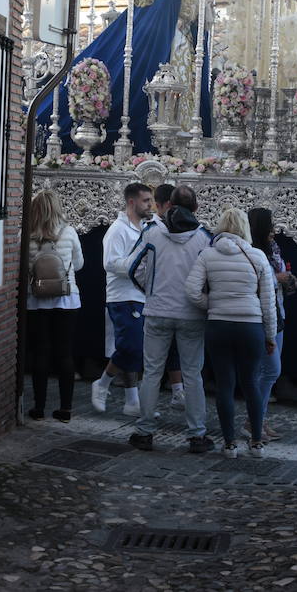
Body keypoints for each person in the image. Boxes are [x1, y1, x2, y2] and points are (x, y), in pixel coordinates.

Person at [125, 185, 214, 454]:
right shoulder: (203, 238)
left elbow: (134, 269)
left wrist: (150, 292)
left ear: (169, 205)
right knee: (192, 374)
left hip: (158, 311)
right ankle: (197, 434)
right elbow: (209, 278)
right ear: (195, 208)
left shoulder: (153, 233)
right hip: (191, 313)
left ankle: (145, 431)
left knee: (152, 372)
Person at [186, 207, 277, 459]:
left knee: (225, 384)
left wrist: (213, 304)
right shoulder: (257, 256)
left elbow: (192, 290)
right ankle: (257, 442)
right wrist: (270, 336)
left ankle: (229, 444)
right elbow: (268, 303)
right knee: (251, 384)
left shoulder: (208, 255)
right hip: (250, 326)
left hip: (219, 326)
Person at [92, 182, 154, 416]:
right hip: (123, 295)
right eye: (146, 200)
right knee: (130, 346)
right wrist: (138, 265)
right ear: (132, 202)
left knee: (136, 350)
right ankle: (103, 383)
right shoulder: (117, 230)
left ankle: (132, 401)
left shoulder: (146, 227)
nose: (150, 205)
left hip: (141, 295)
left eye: (151, 200)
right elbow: (109, 263)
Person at [27, 189, 84, 423]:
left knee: (40, 352)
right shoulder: (69, 232)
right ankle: (65, 409)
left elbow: (23, 267)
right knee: (64, 353)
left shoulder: (27, 234)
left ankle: (38, 408)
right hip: (66, 298)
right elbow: (79, 264)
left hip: (36, 299)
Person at [247, 207, 296, 442]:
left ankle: (259, 417)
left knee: (266, 371)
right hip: (261, 314)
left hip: (277, 310)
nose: (274, 229)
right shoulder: (251, 251)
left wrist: (287, 279)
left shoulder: (272, 248)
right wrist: (278, 278)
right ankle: (253, 420)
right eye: (270, 224)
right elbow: (252, 279)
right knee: (270, 369)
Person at [152, 183, 185, 409]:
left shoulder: (152, 231)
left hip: (161, 302)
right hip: (178, 303)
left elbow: (139, 270)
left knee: (156, 361)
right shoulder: (198, 234)